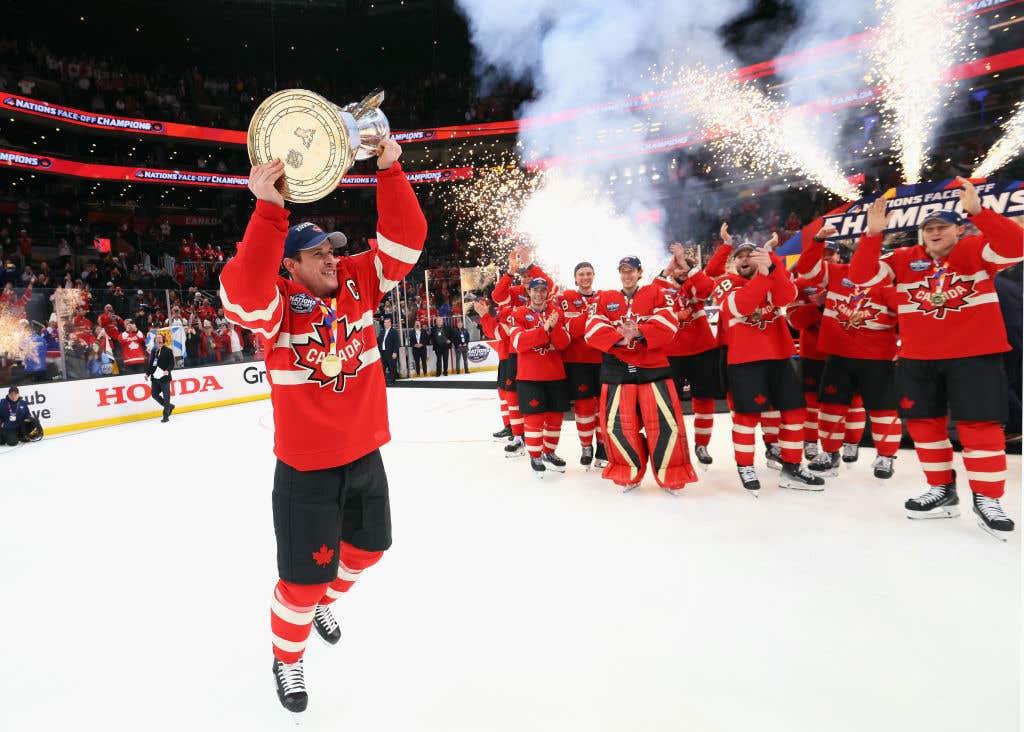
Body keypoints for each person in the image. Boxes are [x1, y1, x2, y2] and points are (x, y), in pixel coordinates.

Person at [218, 140, 427, 715]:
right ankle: (288, 660)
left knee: (367, 550)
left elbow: (406, 242)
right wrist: (268, 211)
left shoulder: (359, 279)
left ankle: (322, 602)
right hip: (306, 469)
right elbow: (241, 293)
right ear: (290, 265)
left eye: (331, 248)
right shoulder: (277, 305)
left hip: (365, 455)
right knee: (301, 586)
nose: (331, 257)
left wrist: (389, 167)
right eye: (315, 253)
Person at [849, 178, 1023, 538]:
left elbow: (1016, 245)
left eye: (942, 226)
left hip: (974, 355)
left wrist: (979, 211)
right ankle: (941, 489)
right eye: (928, 228)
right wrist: (872, 235)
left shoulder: (978, 250)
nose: (934, 233)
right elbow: (861, 277)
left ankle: (987, 498)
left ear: (958, 228)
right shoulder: (902, 259)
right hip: (918, 358)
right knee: (925, 426)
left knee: (981, 427)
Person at [712, 238, 824, 494]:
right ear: (733, 262)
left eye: (749, 254)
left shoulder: (773, 275)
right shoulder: (725, 282)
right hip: (745, 359)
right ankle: (745, 465)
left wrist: (773, 268)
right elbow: (741, 305)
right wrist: (765, 276)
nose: (744, 259)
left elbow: (787, 296)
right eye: (739, 256)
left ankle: (793, 467)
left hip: (780, 356)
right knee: (747, 417)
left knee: (795, 413)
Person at [794, 225, 902, 480]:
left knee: (883, 410)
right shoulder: (838, 273)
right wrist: (818, 239)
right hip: (839, 354)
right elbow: (807, 268)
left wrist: (906, 345)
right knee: (830, 407)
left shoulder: (891, 283)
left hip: (877, 357)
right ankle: (830, 453)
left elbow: (909, 317)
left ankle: (885, 456)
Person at [584, 255, 698, 493]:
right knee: (619, 426)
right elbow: (592, 329)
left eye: (631, 271)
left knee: (665, 424)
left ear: (639, 272)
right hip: (617, 371)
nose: (627, 275)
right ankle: (628, 473)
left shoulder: (656, 293)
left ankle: (671, 475)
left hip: (653, 368)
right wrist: (621, 337)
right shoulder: (605, 298)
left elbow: (669, 323)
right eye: (623, 271)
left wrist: (638, 332)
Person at [657, 244, 721, 468]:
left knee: (704, 399)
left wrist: (687, 266)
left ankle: (701, 444)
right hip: (672, 353)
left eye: (684, 268)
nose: (680, 272)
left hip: (701, 350)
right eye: (677, 269)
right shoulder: (663, 289)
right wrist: (667, 271)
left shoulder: (696, 283)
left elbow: (706, 289)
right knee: (670, 402)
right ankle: (675, 443)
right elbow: (651, 293)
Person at [509, 277, 570, 476]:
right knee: (534, 419)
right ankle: (535, 456)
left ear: (547, 293)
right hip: (530, 376)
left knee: (555, 418)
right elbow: (519, 342)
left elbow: (563, 344)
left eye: (543, 290)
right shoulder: (519, 313)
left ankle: (549, 453)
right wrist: (544, 330)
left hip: (555, 374)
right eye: (535, 290)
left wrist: (554, 328)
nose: (539, 294)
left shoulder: (556, 313)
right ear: (529, 292)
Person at [556, 261, 606, 468]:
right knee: (584, 407)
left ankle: (603, 448)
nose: (585, 277)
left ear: (593, 275)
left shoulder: (604, 297)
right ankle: (586, 446)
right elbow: (571, 330)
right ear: (575, 278)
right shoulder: (566, 298)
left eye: (588, 273)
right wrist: (590, 315)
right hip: (577, 362)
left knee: (602, 407)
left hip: (603, 360)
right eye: (581, 274)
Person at [146, 333, 175, 423]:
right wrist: (147, 374)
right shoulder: (154, 351)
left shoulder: (168, 350)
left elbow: (172, 363)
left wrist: (168, 370)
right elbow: (151, 363)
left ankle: (165, 415)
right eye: (157, 339)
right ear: (155, 341)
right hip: (155, 377)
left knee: (166, 396)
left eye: (160, 339)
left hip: (164, 377)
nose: (159, 341)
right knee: (154, 394)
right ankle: (169, 406)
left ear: (163, 341)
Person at [378, 316, 400, 385]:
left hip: (391, 352)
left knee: (392, 367)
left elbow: (397, 342)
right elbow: (379, 341)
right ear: (384, 323)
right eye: (385, 322)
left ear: (390, 323)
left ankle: (392, 381)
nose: (386, 324)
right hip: (383, 352)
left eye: (388, 322)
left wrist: (395, 352)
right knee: (382, 367)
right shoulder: (382, 332)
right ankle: (382, 381)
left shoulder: (394, 331)